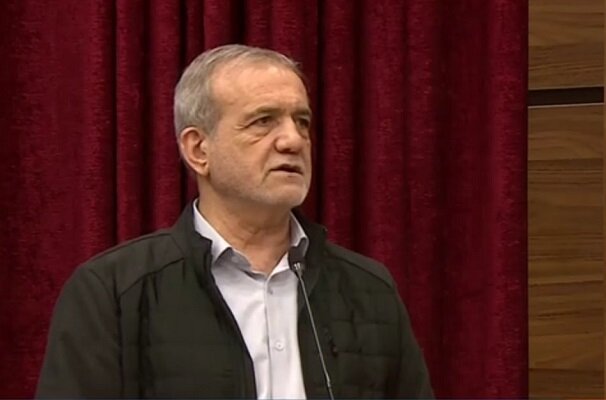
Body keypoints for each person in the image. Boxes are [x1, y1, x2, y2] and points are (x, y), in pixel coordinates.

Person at [36, 44, 433, 399]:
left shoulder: (369, 290)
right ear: (198, 149)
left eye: (302, 121)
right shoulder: (113, 293)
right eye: (263, 121)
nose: (293, 141)